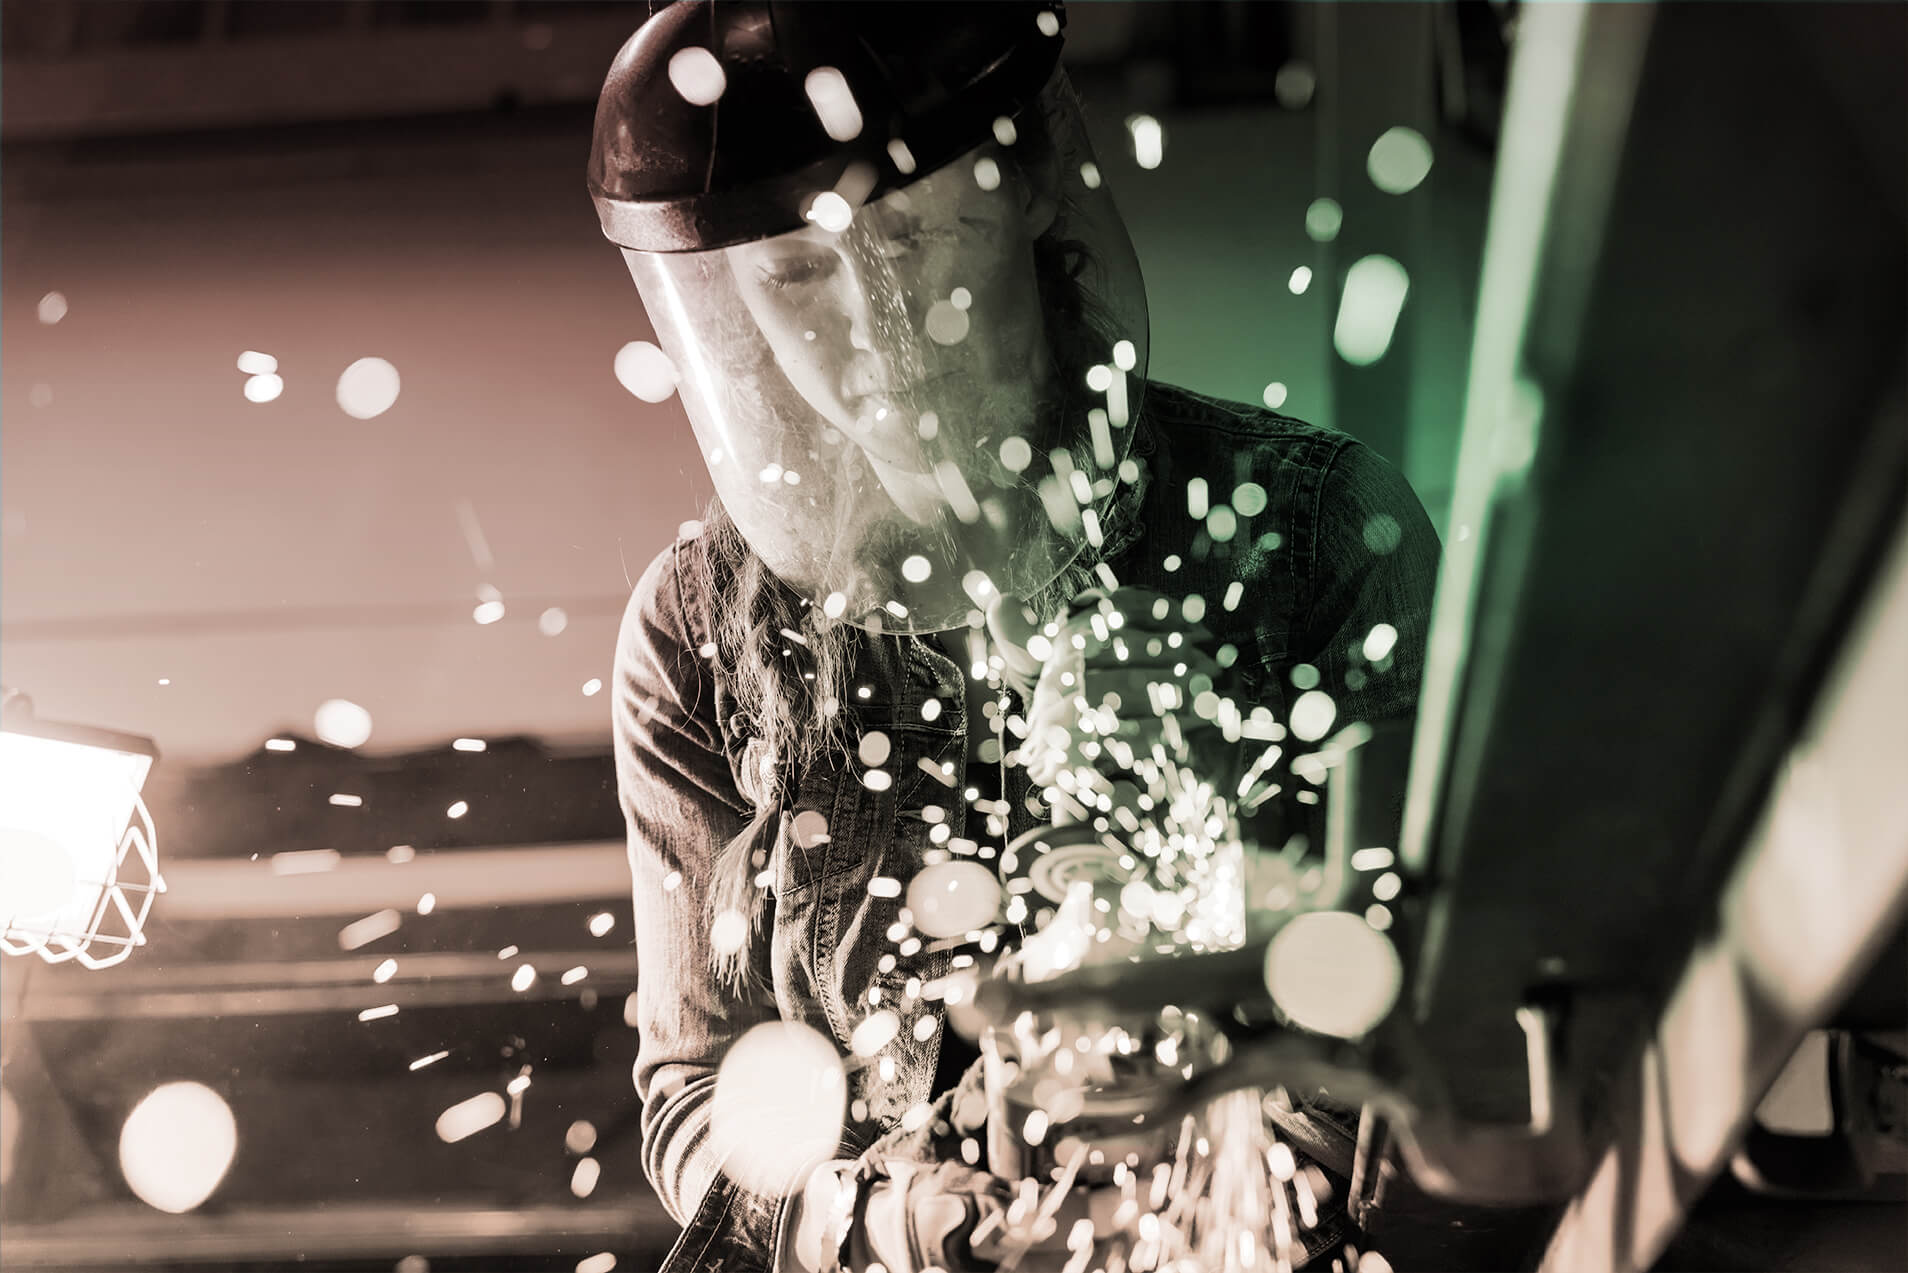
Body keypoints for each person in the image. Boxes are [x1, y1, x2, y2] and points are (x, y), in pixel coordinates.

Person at [590, 4, 1440, 1270]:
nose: (878, 328)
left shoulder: (1313, 532)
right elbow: (699, 1095)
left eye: (922, 233)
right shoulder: (699, 634)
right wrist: (878, 1219)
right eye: (801, 275)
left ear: (1036, 183)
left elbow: (1436, 987)